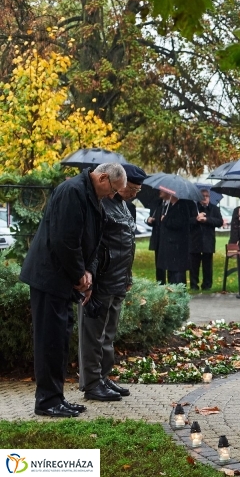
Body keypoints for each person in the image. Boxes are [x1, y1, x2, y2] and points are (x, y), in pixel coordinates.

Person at [20, 162, 126, 417]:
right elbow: (65, 240)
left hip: (63, 279)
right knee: (49, 342)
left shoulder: (91, 196)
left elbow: (93, 238)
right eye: (113, 190)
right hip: (49, 278)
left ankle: (56, 398)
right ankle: (46, 401)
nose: (113, 196)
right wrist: (80, 274)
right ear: (102, 178)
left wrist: (88, 272)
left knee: (59, 341)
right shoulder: (72, 192)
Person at [78, 164, 146, 403]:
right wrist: (90, 277)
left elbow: (126, 244)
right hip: (101, 279)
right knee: (93, 335)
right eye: (134, 189)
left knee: (108, 334)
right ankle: (92, 383)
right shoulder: (102, 203)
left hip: (118, 280)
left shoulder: (124, 206)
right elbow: (93, 243)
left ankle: (102, 377)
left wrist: (127, 279)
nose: (135, 193)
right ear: (122, 185)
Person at [156, 193, 195, 285]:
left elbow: (180, 223)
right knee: (171, 271)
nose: (160, 191)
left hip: (177, 246)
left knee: (177, 273)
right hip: (171, 246)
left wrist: (165, 220)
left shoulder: (181, 206)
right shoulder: (170, 206)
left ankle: (179, 293)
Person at [190, 189, 223, 290]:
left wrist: (207, 219)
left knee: (207, 265)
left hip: (208, 241)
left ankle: (207, 285)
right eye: (202, 196)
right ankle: (194, 284)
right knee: (194, 265)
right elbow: (187, 222)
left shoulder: (214, 209)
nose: (204, 198)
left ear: (209, 197)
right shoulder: (194, 208)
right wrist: (196, 219)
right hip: (195, 241)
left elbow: (219, 222)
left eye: (206, 196)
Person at [146, 191, 170, 284]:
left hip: (168, 239)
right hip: (158, 238)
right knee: (159, 263)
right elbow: (152, 218)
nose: (160, 192)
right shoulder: (157, 203)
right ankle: (160, 283)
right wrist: (149, 220)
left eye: (163, 190)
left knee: (169, 263)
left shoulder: (171, 205)